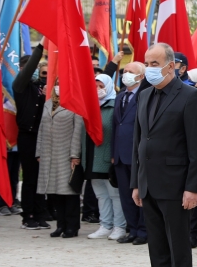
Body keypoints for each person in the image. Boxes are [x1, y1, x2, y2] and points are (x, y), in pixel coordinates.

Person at [131, 43, 197, 267]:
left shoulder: (190, 96)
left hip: (176, 185)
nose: (149, 67)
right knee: (157, 247)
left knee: (177, 246)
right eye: (147, 62)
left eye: (154, 62)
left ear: (171, 65)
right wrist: (137, 183)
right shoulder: (145, 95)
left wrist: (193, 187)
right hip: (149, 184)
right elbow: (139, 141)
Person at [36, 81, 84, 238]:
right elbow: (41, 128)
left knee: (68, 192)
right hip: (49, 154)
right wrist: (39, 152)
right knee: (54, 192)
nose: (58, 87)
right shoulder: (48, 104)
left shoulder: (75, 103)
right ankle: (60, 225)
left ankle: (72, 226)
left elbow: (78, 130)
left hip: (65, 154)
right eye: (57, 84)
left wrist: (75, 155)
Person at [12, 44, 52, 230]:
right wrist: (41, 48)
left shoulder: (44, 87)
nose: (36, 73)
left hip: (43, 137)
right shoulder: (20, 86)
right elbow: (28, 72)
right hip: (27, 136)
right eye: (33, 69)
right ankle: (27, 215)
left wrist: (47, 95)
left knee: (42, 178)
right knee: (30, 177)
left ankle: (40, 213)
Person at [84, 74, 126, 240]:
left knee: (115, 195)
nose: (98, 90)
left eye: (101, 86)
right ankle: (105, 225)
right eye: (95, 86)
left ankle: (119, 226)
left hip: (108, 158)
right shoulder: (90, 107)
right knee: (101, 195)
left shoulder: (114, 105)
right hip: (93, 158)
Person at [112, 61, 147, 245]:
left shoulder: (145, 96)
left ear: (141, 76)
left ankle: (143, 231)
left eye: (130, 72)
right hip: (120, 154)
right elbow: (115, 127)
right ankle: (132, 229)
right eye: (124, 71)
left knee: (140, 193)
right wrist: (113, 152)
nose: (125, 74)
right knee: (126, 195)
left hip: (137, 155)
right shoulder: (120, 96)